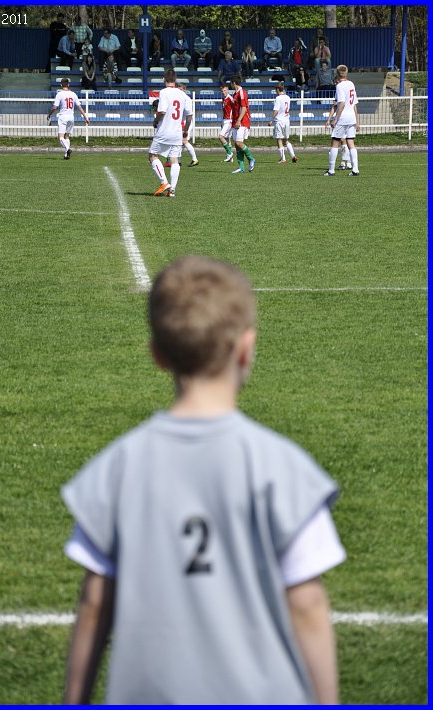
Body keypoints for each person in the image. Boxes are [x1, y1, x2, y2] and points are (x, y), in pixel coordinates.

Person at [61, 253, 345, 705]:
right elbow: (307, 605)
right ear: (246, 348)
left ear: (157, 355)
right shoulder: (283, 466)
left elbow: (96, 604)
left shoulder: (118, 467)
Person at [148, 68, 193, 197]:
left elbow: (162, 111)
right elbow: (189, 116)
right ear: (175, 79)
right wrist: (185, 130)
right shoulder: (183, 95)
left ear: (164, 79)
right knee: (174, 160)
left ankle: (164, 182)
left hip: (164, 131)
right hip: (177, 132)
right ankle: (172, 190)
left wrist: (155, 121)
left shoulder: (163, 92)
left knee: (152, 156)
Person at [324, 64, 359, 177]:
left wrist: (335, 119)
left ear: (337, 74)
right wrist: (357, 121)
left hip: (343, 118)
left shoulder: (339, 86)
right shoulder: (351, 84)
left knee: (335, 142)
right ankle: (355, 169)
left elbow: (342, 103)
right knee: (351, 142)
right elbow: (354, 104)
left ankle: (331, 170)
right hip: (351, 117)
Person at [47, 77, 90, 160]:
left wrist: (49, 114)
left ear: (61, 85)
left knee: (61, 137)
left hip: (63, 116)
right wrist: (85, 117)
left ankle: (67, 149)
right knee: (67, 136)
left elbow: (55, 107)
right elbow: (79, 107)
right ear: (68, 85)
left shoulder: (60, 94)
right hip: (71, 117)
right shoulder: (73, 94)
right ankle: (66, 155)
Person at [230, 74, 255, 174]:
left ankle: (251, 158)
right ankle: (241, 167)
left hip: (243, 121)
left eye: (231, 83)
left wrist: (239, 120)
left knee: (238, 143)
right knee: (236, 145)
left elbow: (244, 108)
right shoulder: (235, 94)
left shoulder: (242, 93)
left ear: (234, 83)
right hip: (236, 121)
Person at [268, 81, 298, 164]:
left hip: (279, 121)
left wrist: (271, 120)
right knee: (286, 140)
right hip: (286, 120)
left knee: (279, 139)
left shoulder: (278, 98)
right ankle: (293, 156)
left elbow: (276, 110)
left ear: (278, 89)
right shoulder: (287, 97)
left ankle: (283, 158)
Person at [325, 82, 352, 171]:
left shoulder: (340, 91)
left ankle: (344, 163)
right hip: (349, 118)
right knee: (346, 140)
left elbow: (335, 106)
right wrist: (329, 119)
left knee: (339, 140)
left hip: (342, 119)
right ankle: (347, 162)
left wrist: (332, 119)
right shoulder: (349, 90)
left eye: (336, 82)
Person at [178, 82, 199, 166]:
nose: (179, 91)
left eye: (181, 89)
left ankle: (195, 159)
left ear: (184, 90)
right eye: (178, 89)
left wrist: (186, 128)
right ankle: (178, 161)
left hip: (187, 122)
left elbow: (189, 115)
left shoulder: (187, 99)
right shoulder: (179, 98)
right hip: (181, 123)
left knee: (184, 141)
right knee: (179, 142)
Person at [218, 82, 234, 162]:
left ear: (227, 90)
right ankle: (230, 157)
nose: (223, 92)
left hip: (229, 120)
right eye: (222, 91)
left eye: (224, 90)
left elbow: (235, 108)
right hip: (224, 120)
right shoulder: (223, 99)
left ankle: (229, 153)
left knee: (221, 137)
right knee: (228, 138)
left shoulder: (230, 98)